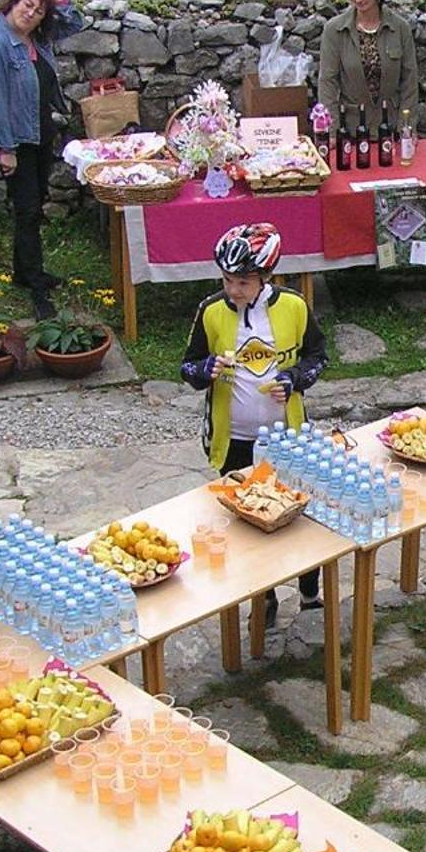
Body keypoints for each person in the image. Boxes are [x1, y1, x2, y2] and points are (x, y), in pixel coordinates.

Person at [181, 224, 327, 617]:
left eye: (243, 282)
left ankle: (310, 591)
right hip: (236, 443)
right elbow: (188, 367)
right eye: (227, 279)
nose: (233, 289)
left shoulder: (294, 306)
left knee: (300, 516)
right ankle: (262, 598)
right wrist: (206, 369)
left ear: (265, 277)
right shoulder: (211, 311)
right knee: (247, 528)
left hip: (288, 439)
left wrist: (294, 379)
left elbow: (318, 357)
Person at [0, 0, 83, 320]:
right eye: (27, 4)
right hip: (17, 141)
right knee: (26, 210)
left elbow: (74, 22)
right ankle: (36, 286)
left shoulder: (36, 37)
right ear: (12, 3)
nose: (31, 13)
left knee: (34, 204)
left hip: (39, 135)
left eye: (38, 11)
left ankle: (23, 272)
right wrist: (5, 149)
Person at [317, 0, 419, 131]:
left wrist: (407, 127)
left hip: (390, 126)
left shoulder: (400, 28)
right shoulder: (334, 30)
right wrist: (331, 129)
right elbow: (327, 83)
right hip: (351, 128)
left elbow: (409, 82)